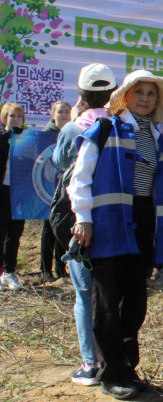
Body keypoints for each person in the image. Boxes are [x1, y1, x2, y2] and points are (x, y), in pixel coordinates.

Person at [68, 69, 163, 400]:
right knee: (106, 305)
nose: (145, 97)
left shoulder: (160, 139)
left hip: (143, 226)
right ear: (125, 98)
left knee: (136, 303)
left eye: (151, 93)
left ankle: (126, 368)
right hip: (108, 226)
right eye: (139, 91)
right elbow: (80, 177)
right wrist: (83, 218)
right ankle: (111, 373)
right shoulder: (103, 129)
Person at [53, 63, 118, 387]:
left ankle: (89, 364)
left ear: (81, 93)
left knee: (84, 292)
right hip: (110, 219)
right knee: (108, 293)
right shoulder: (117, 124)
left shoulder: (74, 128)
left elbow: (60, 161)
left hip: (80, 219)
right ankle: (112, 361)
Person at [40, 100, 72, 282]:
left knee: (62, 224)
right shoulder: (45, 135)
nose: (64, 115)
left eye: (67, 111)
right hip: (46, 189)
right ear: (53, 114)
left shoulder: (72, 133)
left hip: (65, 189)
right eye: (60, 111)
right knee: (47, 228)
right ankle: (45, 270)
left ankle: (61, 268)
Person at [0, 103, 27, 291]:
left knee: (15, 233)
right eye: (12, 116)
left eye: (19, 116)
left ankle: (9, 271)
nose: (15, 119)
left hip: (20, 192)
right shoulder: (2, 139)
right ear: (5, 119)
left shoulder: (28, 140)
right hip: (2, 190)